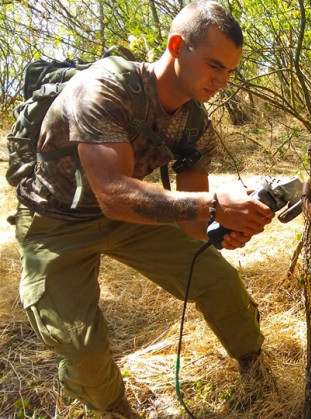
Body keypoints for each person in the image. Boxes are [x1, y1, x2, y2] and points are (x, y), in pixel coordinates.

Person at [12, 1, 273, 417]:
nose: (221, 80)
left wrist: (221, 229)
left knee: (217, 280)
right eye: (213, 65)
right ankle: (114, 408)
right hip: (54, 221)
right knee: (82, 346)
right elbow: (113, 193)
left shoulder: (194, 124)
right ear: (176, 46)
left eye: (229, 71)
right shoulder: (105, 88)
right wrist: (213, 206)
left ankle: (256, 369)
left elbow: (192, 224)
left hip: (128, 217)